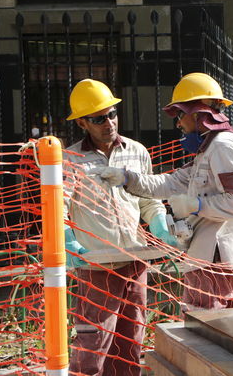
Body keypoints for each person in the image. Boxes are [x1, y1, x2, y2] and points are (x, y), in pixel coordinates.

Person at [92, 72, 233, 312]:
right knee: (229, 334)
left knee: (205, 334)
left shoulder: (224, 146)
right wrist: (128, 178)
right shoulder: (209, 149)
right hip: (212, 260)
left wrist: (196, 206)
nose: (178, 123)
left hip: (218, 261)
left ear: (198, 114)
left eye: (180, 115)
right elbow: (168, 183)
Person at [63, 78, 176, 376]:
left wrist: (159, 223)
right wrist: (68, 241)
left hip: (136, 261)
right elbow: (59, 210)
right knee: (93, 343)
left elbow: (149, 200)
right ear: (83, 124)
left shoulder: (137, 152)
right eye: (98, 118)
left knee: (131, 340)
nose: (108, 123)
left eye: (111, 114)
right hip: (97, 265)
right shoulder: (70, 160)